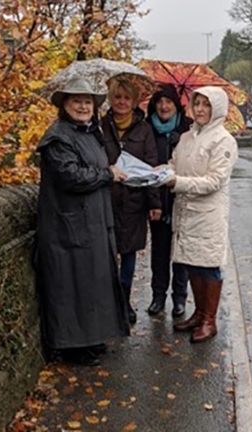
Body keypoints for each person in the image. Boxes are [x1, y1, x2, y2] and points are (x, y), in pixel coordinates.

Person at [35, 77, 129, 367]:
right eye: (77, 101)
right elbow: (71, 176)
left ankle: (92, 339)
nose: (84, 106)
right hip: (68, 227)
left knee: (93, 282)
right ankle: (73, 346)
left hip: (91, 224)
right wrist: (107, 175)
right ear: (65, 104)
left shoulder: (89, 133)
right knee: (71, 285)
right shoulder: (58, 137)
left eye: (88, 101)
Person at [164, 87, 238, 343]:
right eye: (197, 104)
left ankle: (210, 320)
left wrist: (176, 183)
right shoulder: (186, 138)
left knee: (209, 266)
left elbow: (214, 181)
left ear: (216, 108)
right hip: (186, 211)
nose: (200, 110)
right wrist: (159, 172)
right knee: (192, 263)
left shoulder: (223, 140)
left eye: (206, 105)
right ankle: (199, 313)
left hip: (208, 214)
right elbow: (174, 164)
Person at [102, 78, 162, 325]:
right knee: (105, 254)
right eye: (117, 97)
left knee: (128, 254)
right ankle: (108, 304)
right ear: (110, 99)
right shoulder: (100, 126)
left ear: (134, 101)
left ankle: (124, 303)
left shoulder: (144, 129)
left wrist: (154, 203)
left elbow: (151, 167)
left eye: (127, 98)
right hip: (105, 199)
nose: (122, 102)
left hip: (133, 202)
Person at [145, 84, 193, 318]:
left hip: (181, 200)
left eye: (169, 102)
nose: (164, 106)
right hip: (157, 202)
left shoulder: (188, 132)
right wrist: (153, 202)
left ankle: (180, 298)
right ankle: (158, 296)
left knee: (180, 253)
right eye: (160, 102)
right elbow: (145, 168)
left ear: (177, 106)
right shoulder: (146, 131)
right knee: (160, 252)